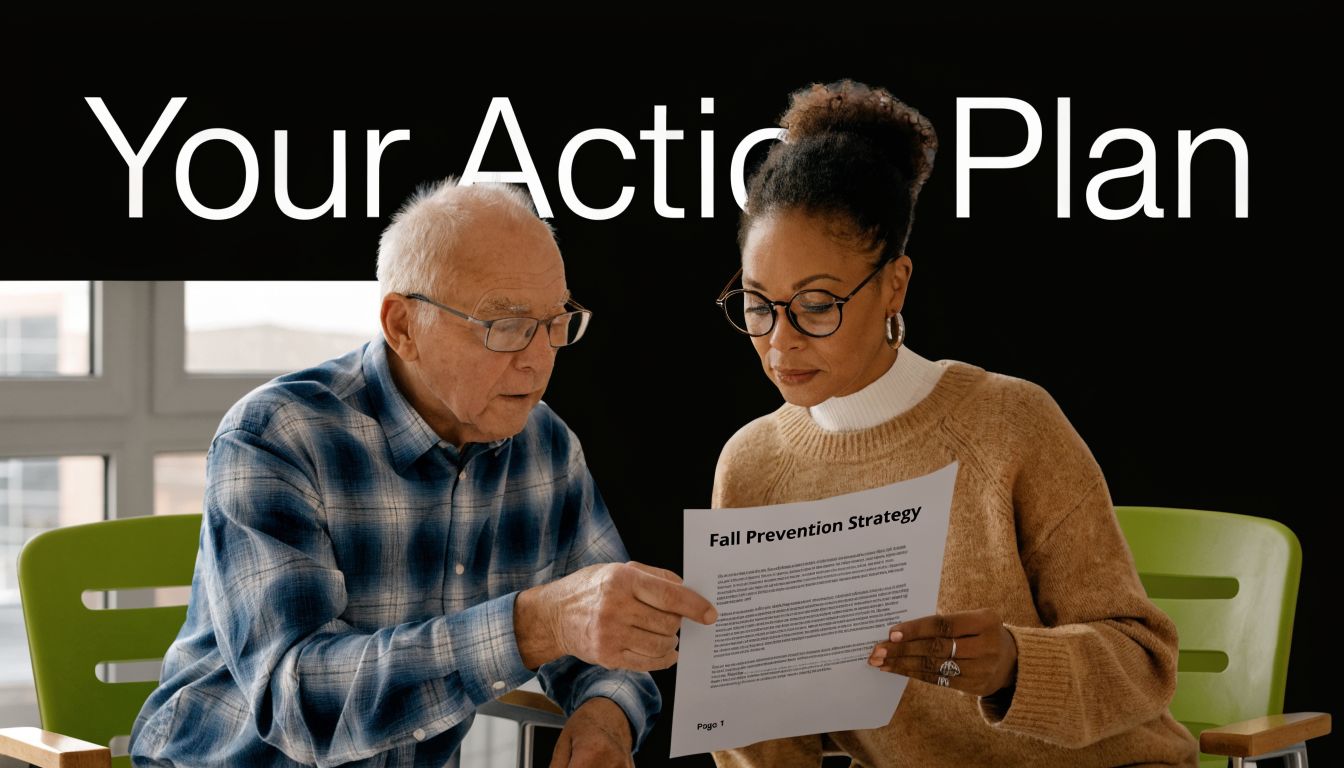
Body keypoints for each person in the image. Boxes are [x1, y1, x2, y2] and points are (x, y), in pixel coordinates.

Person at [130, 179, 717, 768]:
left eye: (555, 321)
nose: (539, 358)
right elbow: (300, 704)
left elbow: (605, 634)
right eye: (505, 324)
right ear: (403, 326)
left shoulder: (544, 444)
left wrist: (604, 721)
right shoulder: (276, 436)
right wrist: (533, 625)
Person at [709, 81, 1199, 767]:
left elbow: (1144, 662)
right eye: (758, 304)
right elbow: (768, 743)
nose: (780, 341)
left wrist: (1014, 665)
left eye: (816, 305)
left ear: (894, 284)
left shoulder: (1009, 424)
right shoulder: (752, 467)